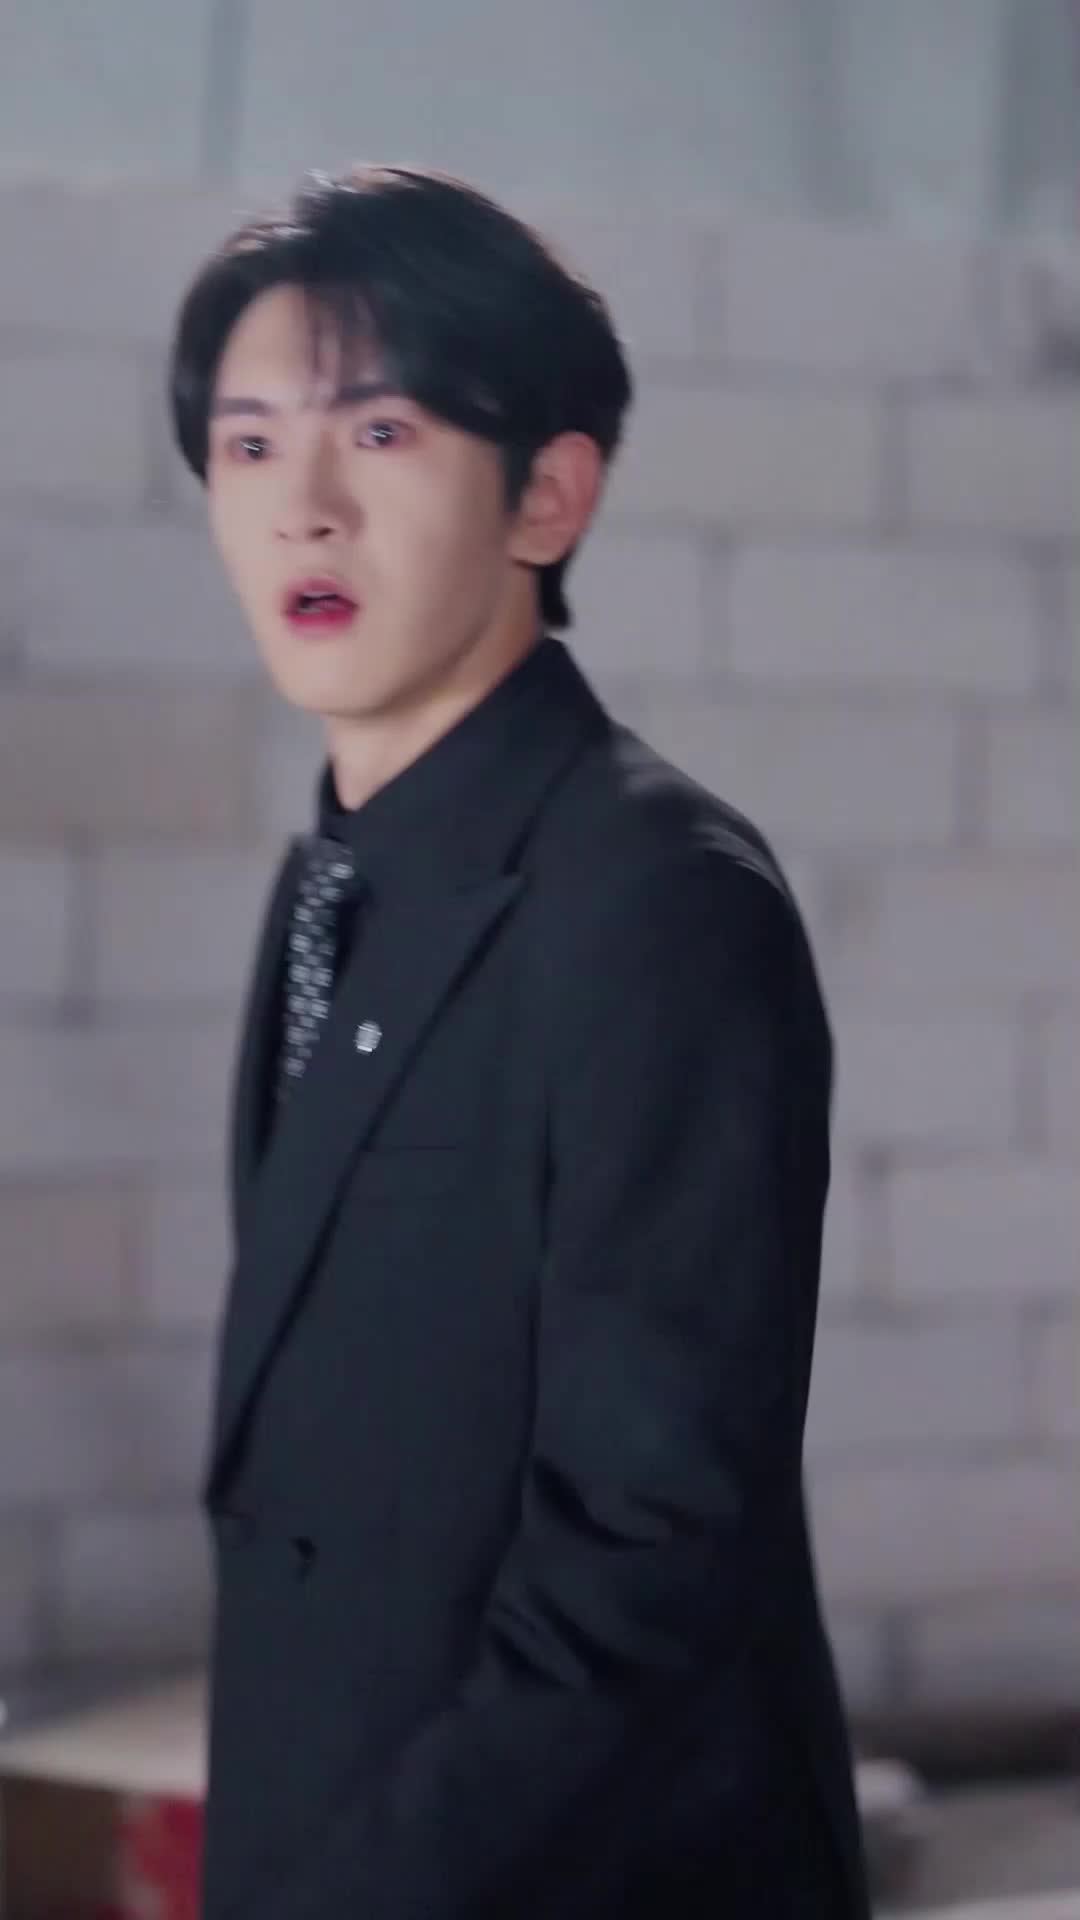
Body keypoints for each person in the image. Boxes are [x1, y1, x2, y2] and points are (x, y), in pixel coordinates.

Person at [169, 163, 871, 1919]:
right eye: (249, 446)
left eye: (379, 433)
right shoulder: (342, 874)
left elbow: (646, 1558)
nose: (301, 509)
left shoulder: (656, 897)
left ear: (547, 494)